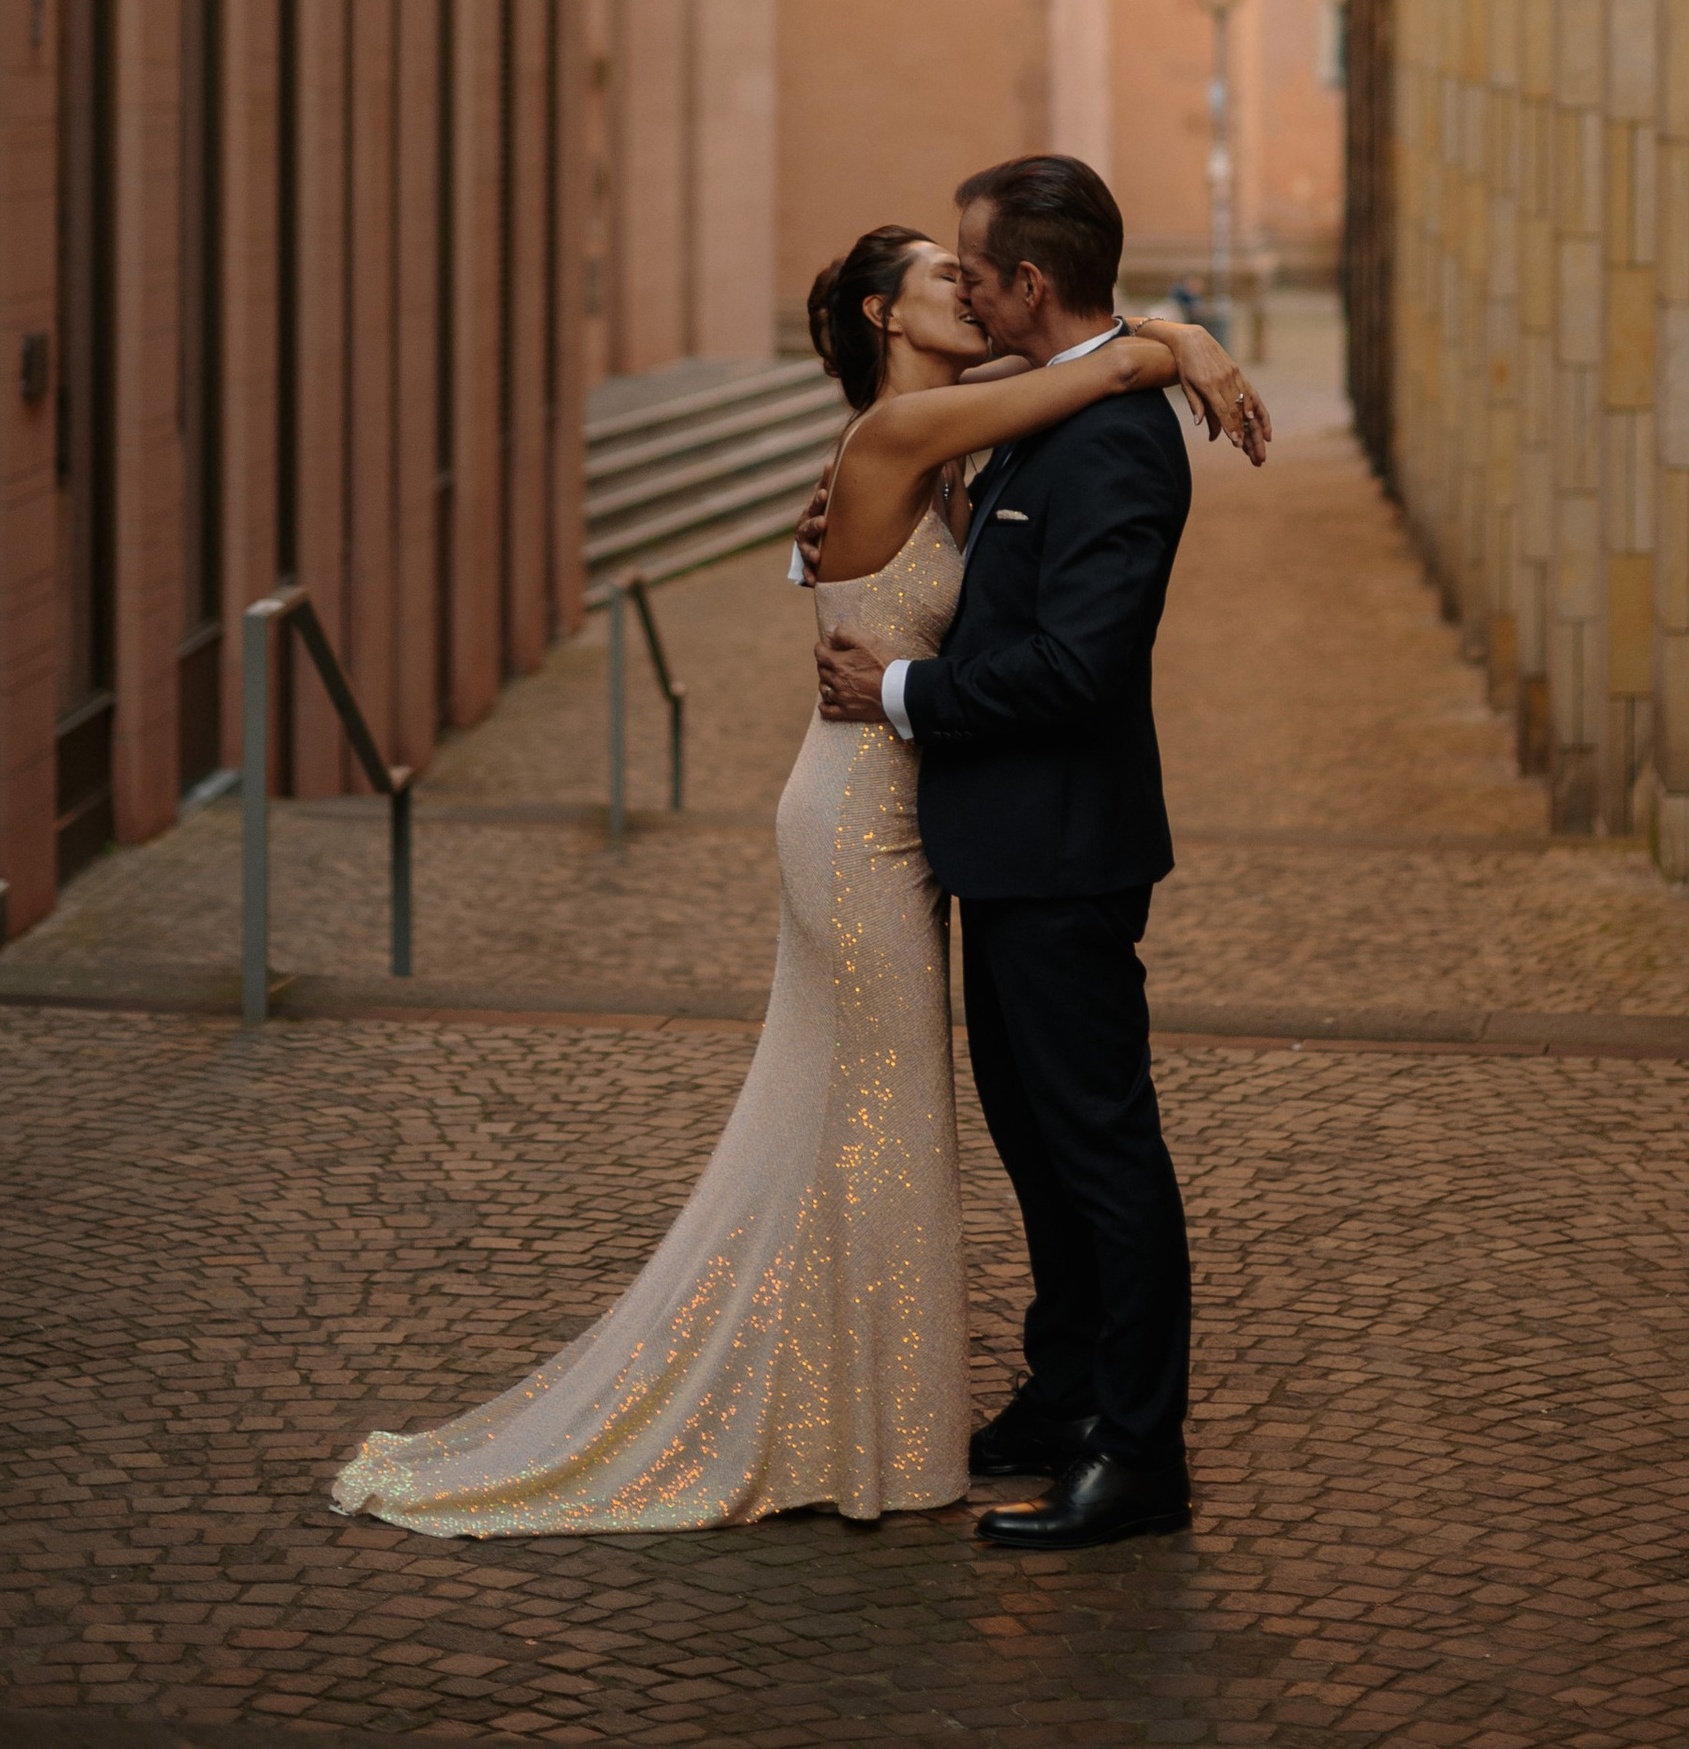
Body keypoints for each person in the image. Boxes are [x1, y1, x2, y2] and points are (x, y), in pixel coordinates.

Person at [328, 222, 1260, 1539]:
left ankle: (884, 1413)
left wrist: (1169, 338)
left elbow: (1076, 375)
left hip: (916, 821)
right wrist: (1190, 341)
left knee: (877, 1120)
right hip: (859, 826)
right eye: (942, 275)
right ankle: (861, 1429)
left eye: (975, 270)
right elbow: (1105, 367)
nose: (968, 290)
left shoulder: (949, 431)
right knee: (881, 1119)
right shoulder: (904, 435)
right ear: (886, 315)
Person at [816, 152, 1204, 1552]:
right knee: (1036, 1140)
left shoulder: (1116, 441)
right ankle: (1065, 1389)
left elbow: (1081, 667)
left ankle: (1139, 1454)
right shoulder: (1047, 409)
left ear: (1029, 281)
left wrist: (900, 691)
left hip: (1065, 851)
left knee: (1100, 1148)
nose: (969, 295)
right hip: (1003, 847)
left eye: (976, 272)